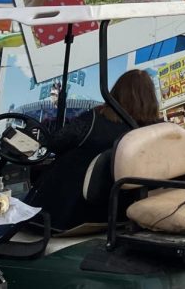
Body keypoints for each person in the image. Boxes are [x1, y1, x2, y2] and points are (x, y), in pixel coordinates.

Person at [26, 69, 161, 232]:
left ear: (116, 93)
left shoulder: (93, 120)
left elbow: (56, 143)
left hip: (66, 215)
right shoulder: (155, 131)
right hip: (120, 213)